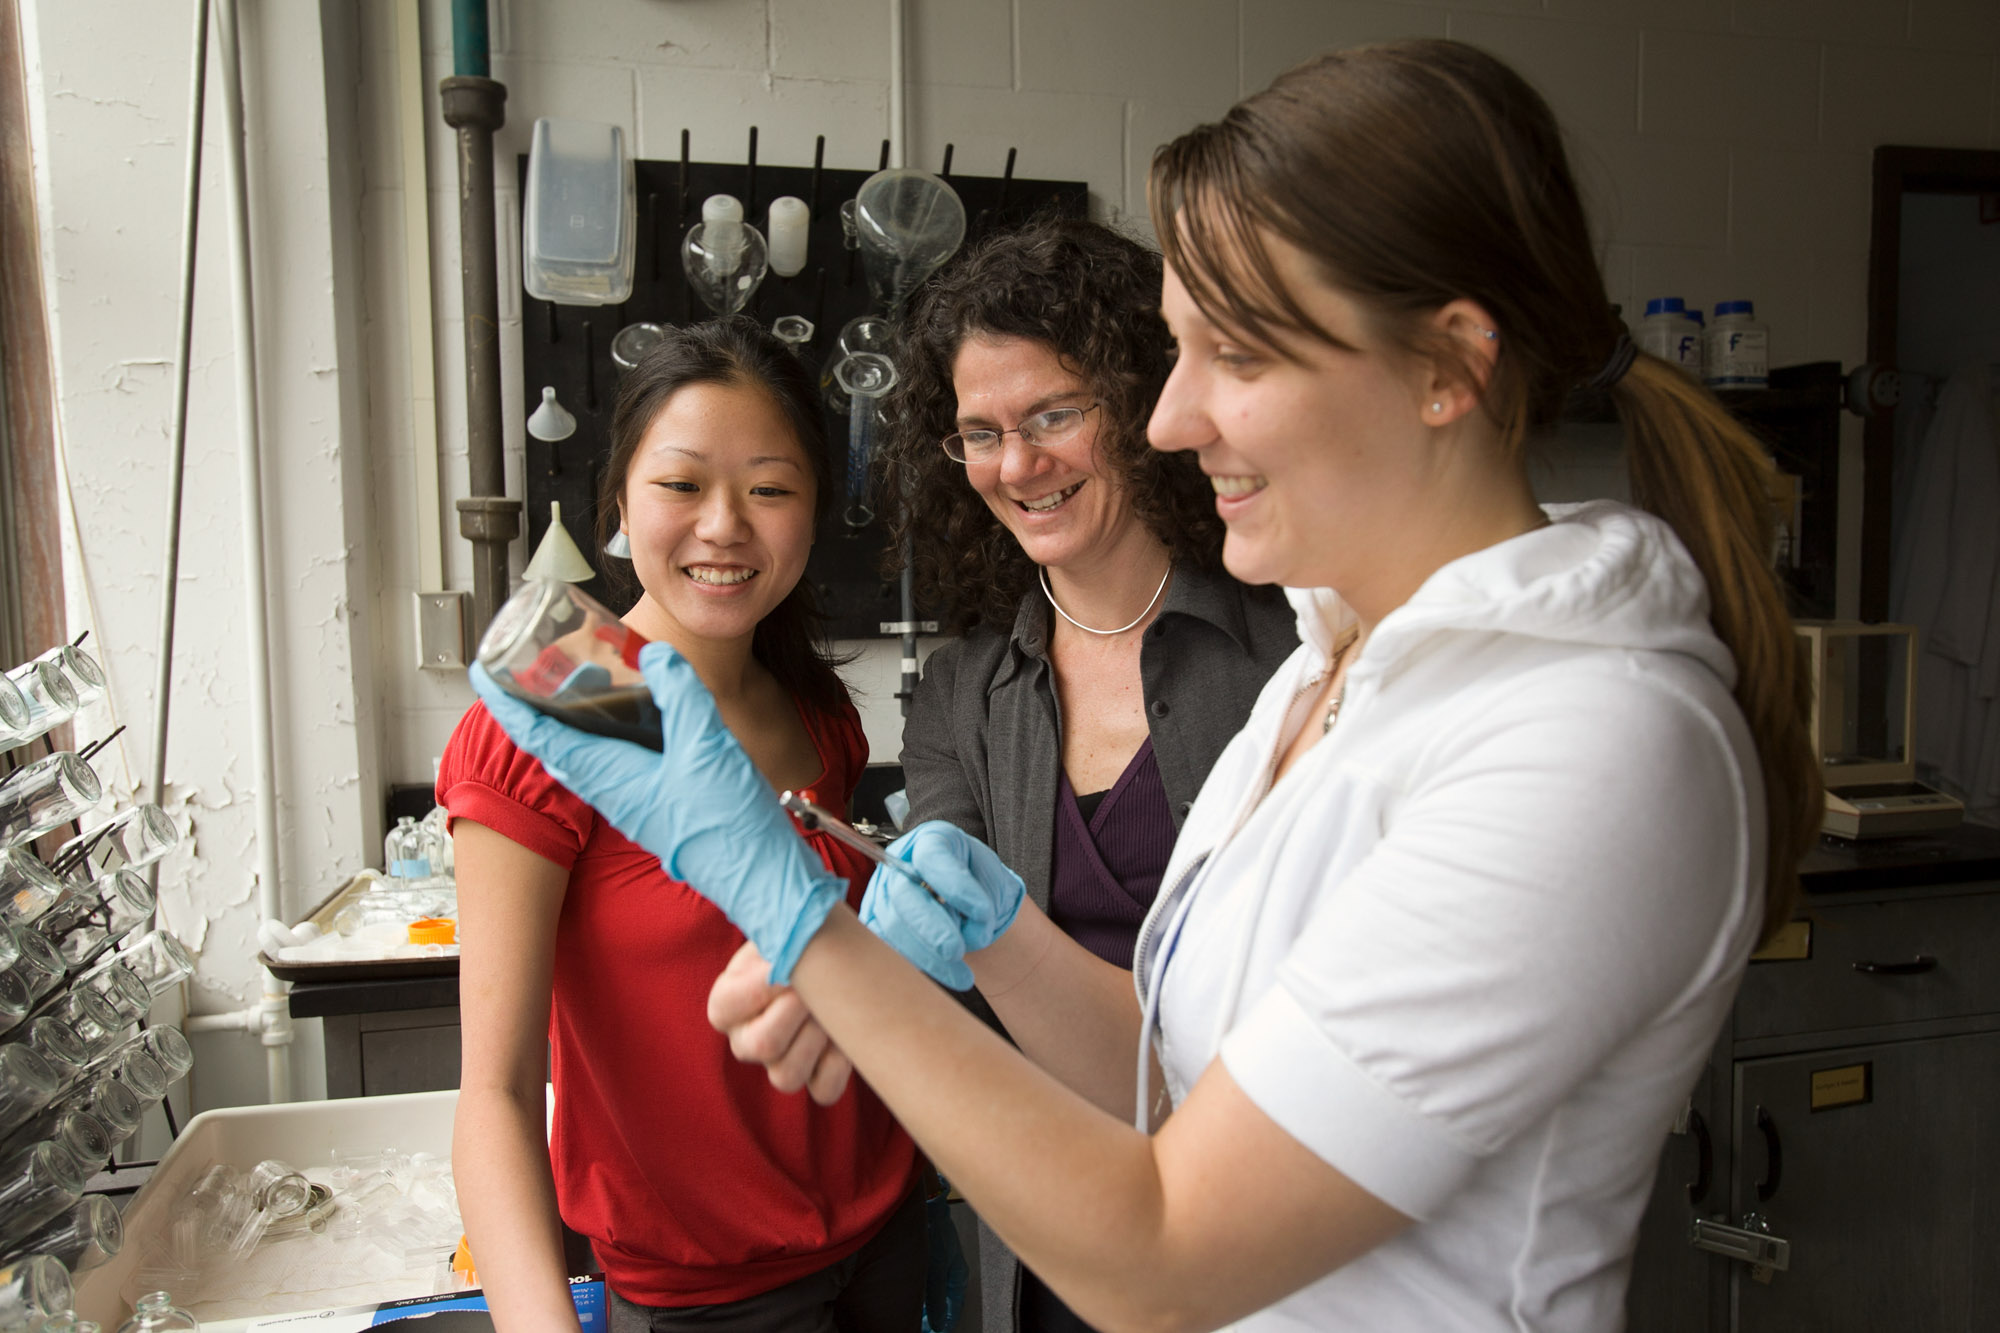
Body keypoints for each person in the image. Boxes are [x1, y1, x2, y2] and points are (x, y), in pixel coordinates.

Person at [474, 39, 1822, 1332]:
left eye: (1234, 356)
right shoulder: (1328, 680)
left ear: (1449, 367)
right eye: (1174, 357)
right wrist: (1000, 937)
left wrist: (787, 908)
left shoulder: (1590, 739)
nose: (1170, 419)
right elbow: (1177, 1081)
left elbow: (1170, 1251)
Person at [442, 318, 924, 1333]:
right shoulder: (563, 703)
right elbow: (492, 1092)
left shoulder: (816, 709)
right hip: (705, 1302)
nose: (723, 527)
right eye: (681, 484)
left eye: (769, 488)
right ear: (618, 498)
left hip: (888, 1240)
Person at [879, 217, 1297, 1333]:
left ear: (1142, 402)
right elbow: (958, 984)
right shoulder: (962, 691)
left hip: (1280, 1228)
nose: (1017, 465)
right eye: (979, 432)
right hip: (1062, 1249)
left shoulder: (1289, 649)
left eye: (1054, 414)